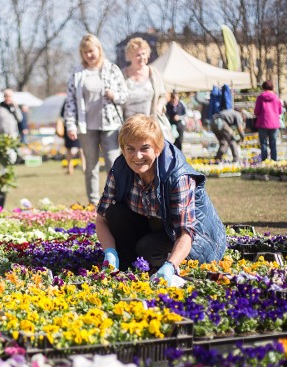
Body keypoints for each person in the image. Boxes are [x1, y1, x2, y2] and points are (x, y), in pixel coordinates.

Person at [96, 114, 226, 280]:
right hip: (158, 227)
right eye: (130, 148)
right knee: (115, 213)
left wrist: (171, 265)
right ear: (123, 149)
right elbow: (102, 218)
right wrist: (110, 252)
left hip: (197, 238)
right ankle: (130, 265)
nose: (137, 156)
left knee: (147, 248)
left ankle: (160, 264)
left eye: (145, 148)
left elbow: (185, 232)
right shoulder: (121, 167)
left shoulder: (177, 176)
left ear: (157, 149)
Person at [64, 34, 128, 205]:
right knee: (90, 166)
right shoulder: (78, 73)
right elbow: (70, 101)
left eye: (91, 51)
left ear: (99, 50)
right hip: (87, 126)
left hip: (110, 125)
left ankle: (115, 200)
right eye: (85, 52)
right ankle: (93, 201)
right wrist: (70, 124)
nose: (89, 55)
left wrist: (114, 95)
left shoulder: (111, 69)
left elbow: (124, 95)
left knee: (112, 164)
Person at [122, 37, 172, 143]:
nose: (141, 57)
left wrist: (159, 107)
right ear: (130, 56)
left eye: (144, 54)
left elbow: (163, 95)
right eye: (137, 55)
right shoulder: (122, 75)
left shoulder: (154, 73)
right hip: (129, 126)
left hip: (151, 124)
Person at [254, 80, 282, 161]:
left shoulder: (260, 97)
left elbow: (256, 111)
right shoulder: (276, 98)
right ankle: (274, 160)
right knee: (273, 143)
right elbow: (280, 111)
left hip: (262, 123)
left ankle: (264, 160)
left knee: (263, 143)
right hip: (274, 124)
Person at [61, 102, 85, 175]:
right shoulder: (81, 101)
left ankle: (70, 169)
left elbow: (62, 114)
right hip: (78, 126)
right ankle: (84, 168)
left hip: (69, 126)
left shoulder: (67, 101)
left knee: (70, 149)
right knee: (81, 149)